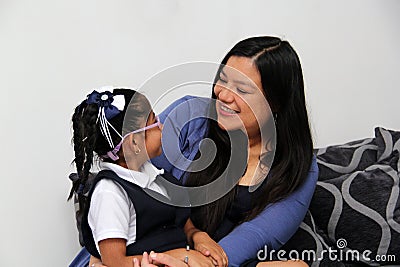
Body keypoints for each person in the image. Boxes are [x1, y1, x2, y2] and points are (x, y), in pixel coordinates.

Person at [72, 36, 318, 267]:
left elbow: (253, 238)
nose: (222, 95)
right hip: (141, 256)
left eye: (242, 90)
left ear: (275, 102)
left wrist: (192, 253)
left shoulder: (296, 167)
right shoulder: (190, 117)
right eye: (222, 79)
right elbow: (130, 164)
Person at [69, 88, 227, 267]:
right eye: (155, 123)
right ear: (134, 142)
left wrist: (197, 236)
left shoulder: (157, 178)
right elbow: (114, 262)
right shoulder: (110, 193)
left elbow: (184, 224)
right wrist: (180, 255)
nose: (162, 127)